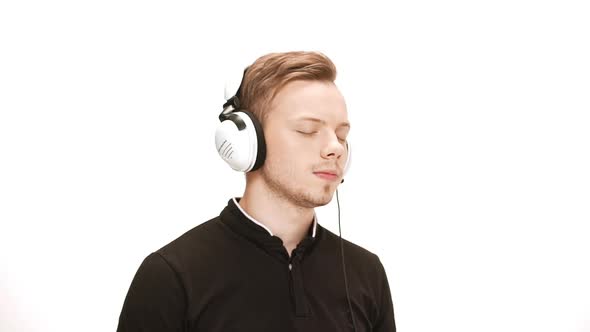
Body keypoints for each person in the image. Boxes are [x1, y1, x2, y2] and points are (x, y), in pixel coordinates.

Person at [116, 51, 396, 332]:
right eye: (308, 130)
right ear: (247, 141)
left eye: (342, 135)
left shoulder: (366, 273)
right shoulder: (171, 276)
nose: (335, 147)